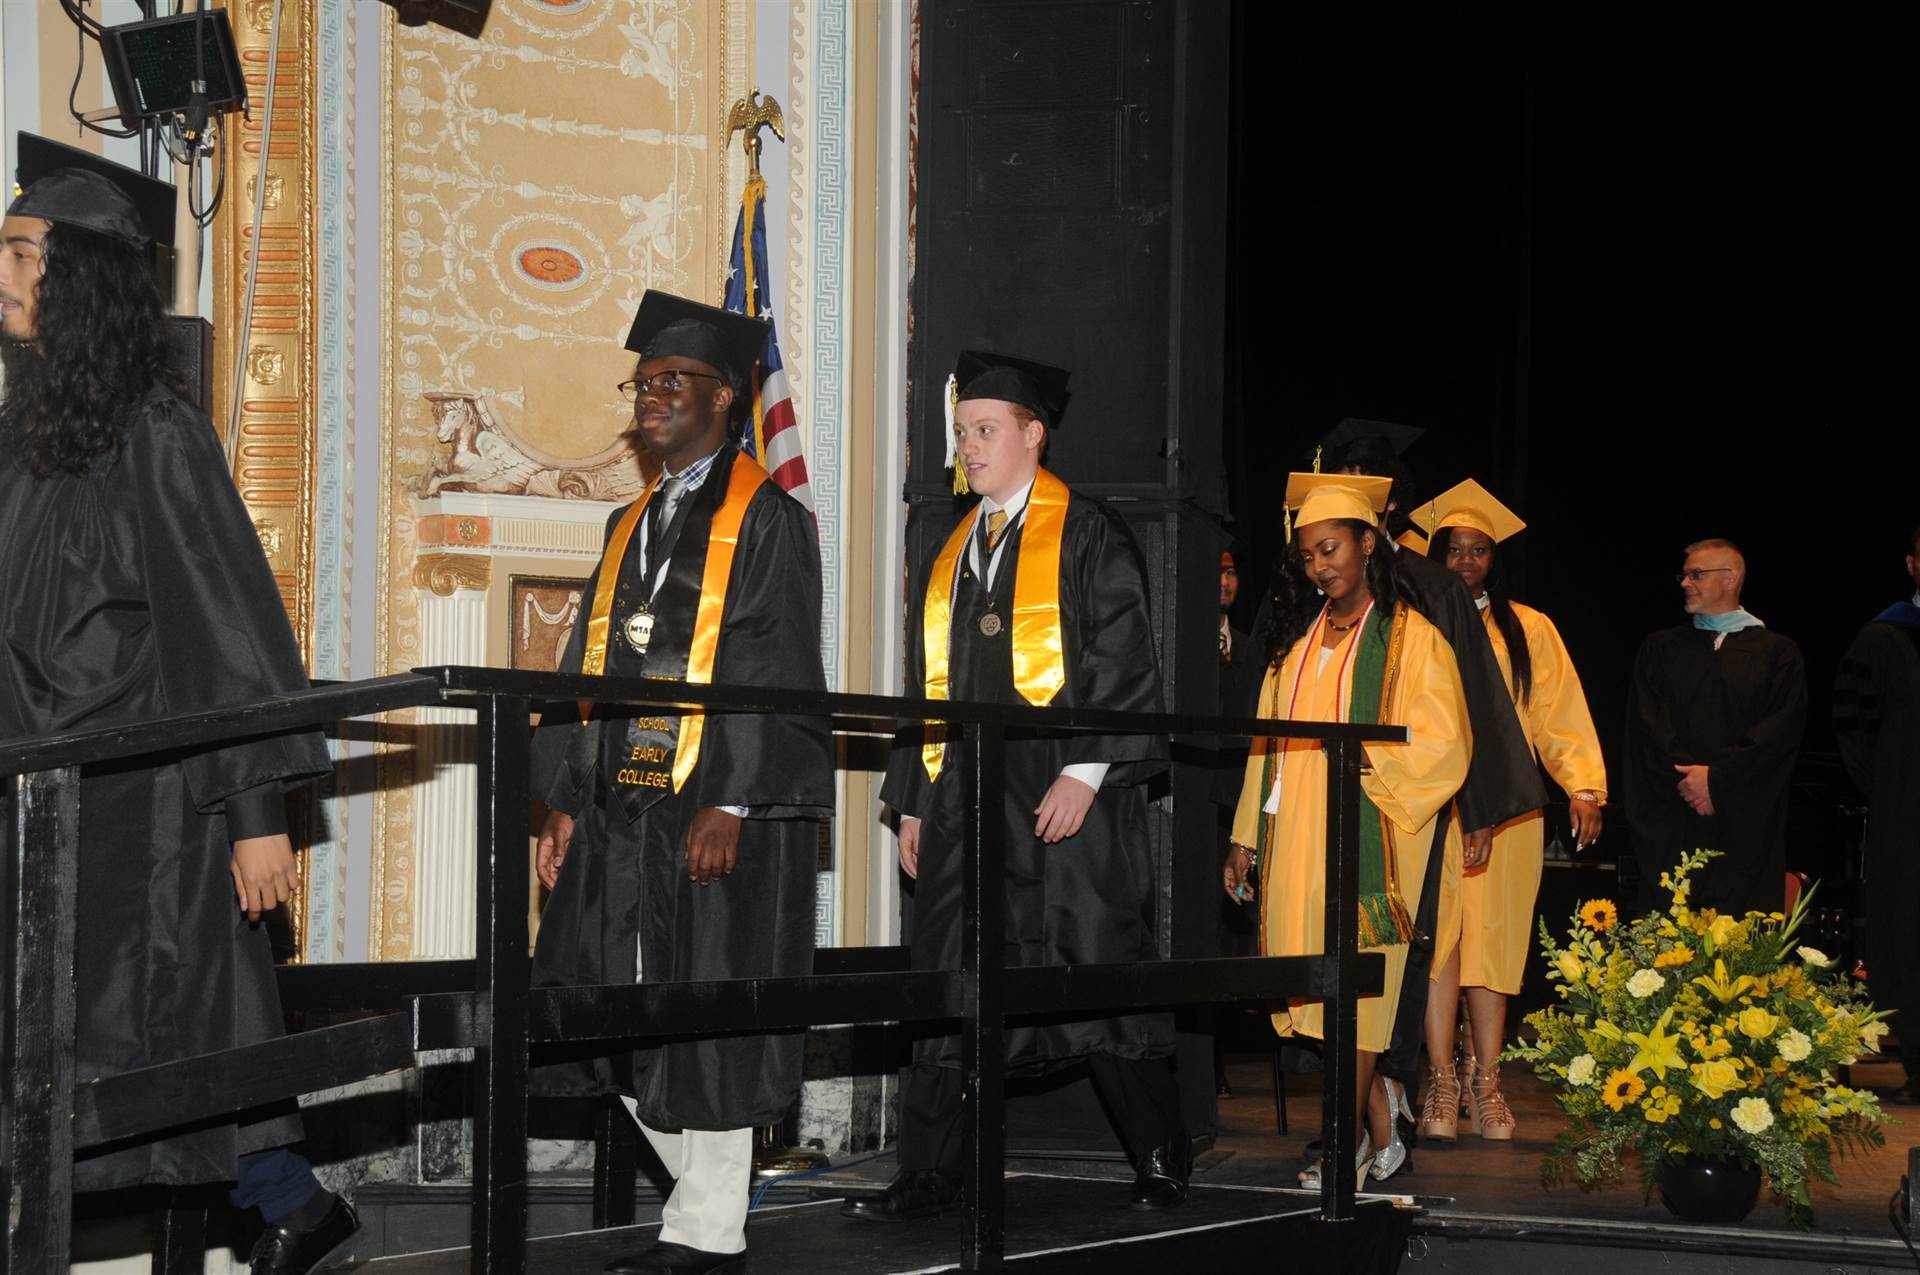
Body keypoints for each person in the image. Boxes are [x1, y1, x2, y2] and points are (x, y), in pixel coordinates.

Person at [0, 143, 357, 1272]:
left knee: (158, 1029)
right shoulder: (20, 439)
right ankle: (290, 1204)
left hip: (143, 812)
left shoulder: (156, 432)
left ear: (82, 276)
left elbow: (225, 628)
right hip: (39, 797)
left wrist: (257, 812)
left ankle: (292, 1204)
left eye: (17, 251)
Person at [530, 292, 833, 1275]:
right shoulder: (629, 522)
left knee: (703, 1013)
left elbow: (776, 663)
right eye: (645, 383)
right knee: (600, 998)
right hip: (625, 798)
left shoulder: (770, 521)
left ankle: (708, 1229)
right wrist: (565, 801)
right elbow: (591, 666)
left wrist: (734, 798)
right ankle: (708, 1206)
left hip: (709, 802)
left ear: (726, 400)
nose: (651, 398)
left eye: (673, 384)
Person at [851, 351, 1186, 1221]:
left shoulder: (1089, 533)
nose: (968, 448)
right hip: (965, 792)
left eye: (985, 431)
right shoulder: (952, 547)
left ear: (1034, 435)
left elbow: (1124, 659)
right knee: (949, 975)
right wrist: (915, 797)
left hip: (1064, 794)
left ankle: (1159, 1155)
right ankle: (931, 1172)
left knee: (1096, 965)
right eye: (962, 433)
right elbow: (928, 683)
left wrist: (1087, 770)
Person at [1225, 473, 1470, 1186]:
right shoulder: (1297, 644)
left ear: (1369, 543)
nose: (1321, 566)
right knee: (1315, 994)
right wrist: (1245, 836)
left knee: (1357, 994)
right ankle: (1382, 1113)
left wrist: (1370, 752)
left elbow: (1447, 743)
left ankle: (1341, 1143)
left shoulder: (1413, 641)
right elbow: (1266, 745)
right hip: (1299, 839)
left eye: (1331, 548)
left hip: (1374, 840)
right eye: (1308, 556)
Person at [1310, 428, 1542, 1146]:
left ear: (1387, 499)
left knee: (1408, 958)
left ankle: (1399, 1099)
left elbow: (1474, 709)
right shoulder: (1308, 585)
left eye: (1359, 482)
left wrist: (1477, 807)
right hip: (1322, 810)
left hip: (1417, 812)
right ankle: (1363, 1115)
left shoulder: (1432, 584)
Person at [1408, 480, 1607, 1140]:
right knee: (1441, 945)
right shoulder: (1415, 623)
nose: (1466, 562)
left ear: (1495, 559)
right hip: (1433, 806)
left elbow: (1558, 715)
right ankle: (1439, 1079)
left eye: (1479, 551)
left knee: (1494, 946)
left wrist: (1582, 785)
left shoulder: (1530, 629)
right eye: (1454, 549)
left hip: (1513, 810)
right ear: (1434, 554)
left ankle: (1485, 1081)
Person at [1624, 538, 1806, 918]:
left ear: (1730, 578)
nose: (1685, 583)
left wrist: (1717, 779)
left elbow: (1778, 733)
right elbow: (1648, 725)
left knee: (1738, 953)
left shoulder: (1777, 653)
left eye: (1696, 574)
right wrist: (1691, 780)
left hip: (1743, 827)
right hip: (1672, 819)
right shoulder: (1660, 648)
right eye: (1684, 574)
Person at [1833, 527, 1920, 1102]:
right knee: (1908, 931)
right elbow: (1854, 730)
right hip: (1908, 817)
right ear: (1913, 565)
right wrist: (1896, 788)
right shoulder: (1886, 637)